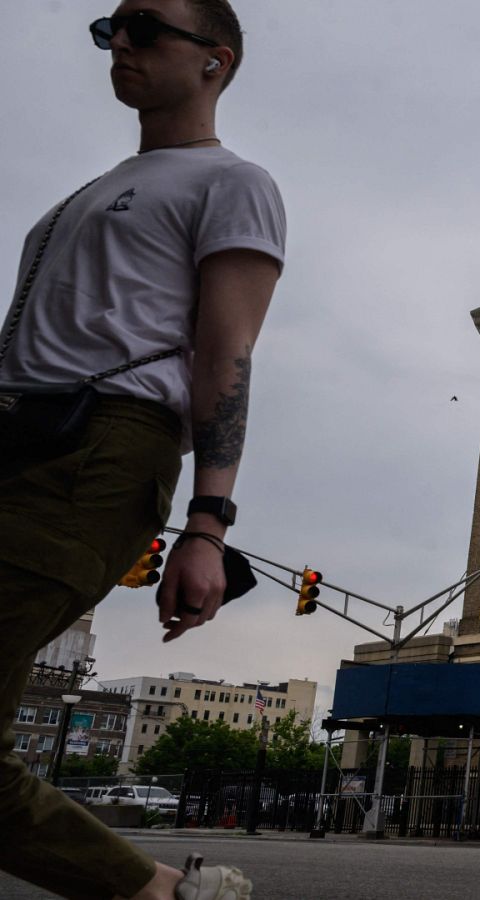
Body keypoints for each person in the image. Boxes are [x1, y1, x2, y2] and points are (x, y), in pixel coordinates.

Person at [0, 1, 285, 898]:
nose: (119, 42)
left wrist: (207, 524)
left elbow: (225, 354)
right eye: (107, 28)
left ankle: (158, 892)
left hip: (99, 453)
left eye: (146, 27)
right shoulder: (79, 197)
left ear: (215, 60)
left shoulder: (231, 182)